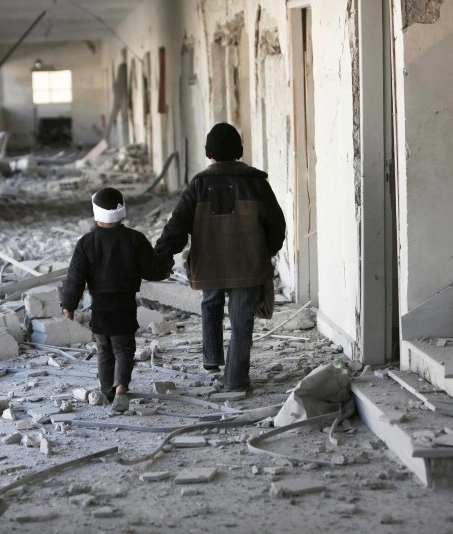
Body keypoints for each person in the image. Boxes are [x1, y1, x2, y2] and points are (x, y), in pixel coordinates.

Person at [154, 122, 286, 392]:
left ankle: (212, 358)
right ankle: (236, 381)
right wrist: (266, 252)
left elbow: (177, 225)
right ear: (239, 151)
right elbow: (277, 224)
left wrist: (161, 256)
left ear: (208, 153)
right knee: (242, 322)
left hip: (209, 263)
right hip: (248, 264)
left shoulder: (200, 184)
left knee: (210, 304)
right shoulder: (257, 183)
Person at [61, 187, 171, 412]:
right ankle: (121, 387)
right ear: (122, 209)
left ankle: (107, 391)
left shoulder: (86, 243)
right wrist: (166, 259)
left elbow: (75, 277)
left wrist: (69, 305)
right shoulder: (135, 239)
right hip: (125, 304)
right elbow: (153, 270)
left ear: (95, 212)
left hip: (100, 307)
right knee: (123, 349)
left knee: (104, 349)